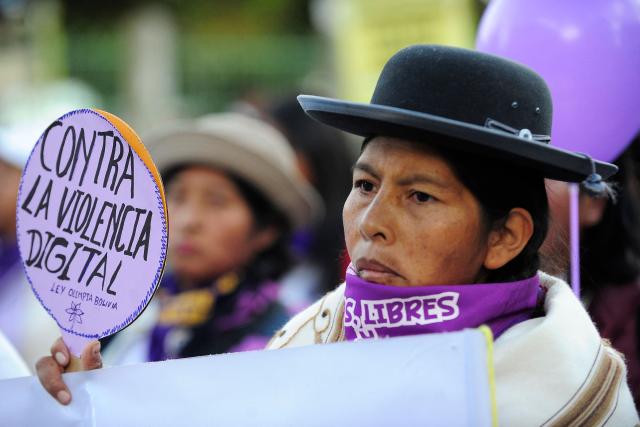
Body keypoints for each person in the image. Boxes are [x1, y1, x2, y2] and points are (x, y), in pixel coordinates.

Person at [36, 46, 638, 424]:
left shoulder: (575, 397)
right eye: (365, 185)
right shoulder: (304, 342)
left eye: (420, 196)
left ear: (506, 236)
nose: (372, 221)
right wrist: (95, 403)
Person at [93, 112, 322, 366]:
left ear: (267, 230)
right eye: (177, 196)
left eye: (217, 201)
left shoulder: (294, 341)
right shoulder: (121, 323)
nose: (189, 221)